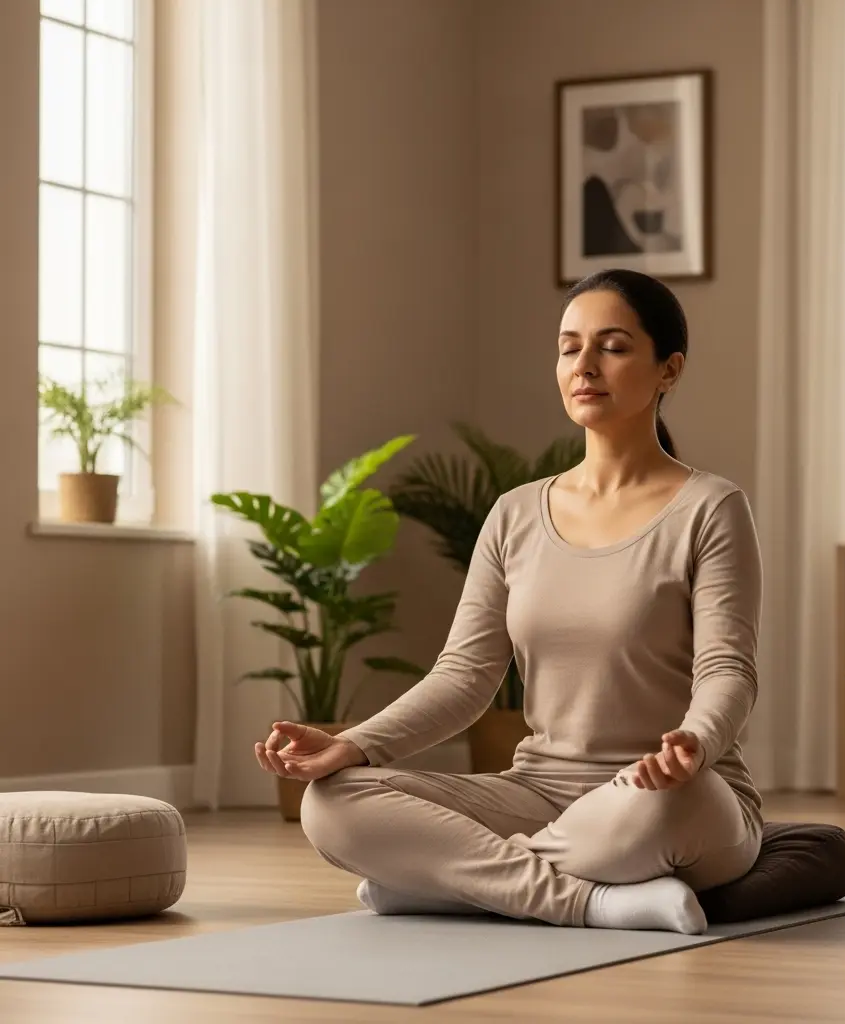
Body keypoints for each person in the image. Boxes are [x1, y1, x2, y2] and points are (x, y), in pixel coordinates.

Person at [255, 268, 763, 934]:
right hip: (538, 796)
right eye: (568, 346)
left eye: (611, 346)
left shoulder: (711, 508)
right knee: (331, 804)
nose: (584, 365)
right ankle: (589, 902)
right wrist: (352, 745)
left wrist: (696, 741)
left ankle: (447, 884)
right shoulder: (515, 514)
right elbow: (464, 678)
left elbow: (728, 670)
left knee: (667, 809)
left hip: (665, 796)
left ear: (668, 370)